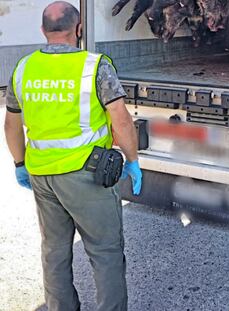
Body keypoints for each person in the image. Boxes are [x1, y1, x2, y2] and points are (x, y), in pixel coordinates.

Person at [4, 1, 142, 310]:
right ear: (78, 29)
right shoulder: (95, 66)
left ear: (43, 31)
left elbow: (11, 123)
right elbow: (120, 118)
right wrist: (132, 160)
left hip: (42, 176)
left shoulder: (24, 67)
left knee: (54, 252)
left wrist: (19, 164)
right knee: (105, 252)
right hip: (87, 176)